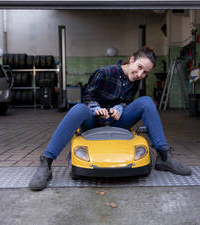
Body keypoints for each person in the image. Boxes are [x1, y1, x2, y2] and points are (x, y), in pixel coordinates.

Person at [29, 46, 191, 191]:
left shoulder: (135, 81)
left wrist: (119, 109)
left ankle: (164, 158)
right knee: (78, 109)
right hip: (94, 120)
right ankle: (46, 163)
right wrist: (97, 109)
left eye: (145, 72)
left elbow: (126, 102)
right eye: (139, 67)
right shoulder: (104, 72)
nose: (140, 74)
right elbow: (87, 97)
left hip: (117, 121)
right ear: (132, 60)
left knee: (147, 102)